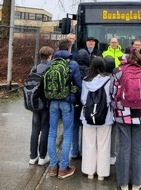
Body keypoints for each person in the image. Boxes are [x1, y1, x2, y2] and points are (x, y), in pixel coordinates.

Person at [111, 49, 141, 190]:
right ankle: (137, 183)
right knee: (138, 148)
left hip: (123, 114)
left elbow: (113, 93)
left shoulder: (118, 71)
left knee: (123, 146)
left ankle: (123, 183)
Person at [47, 39, 82, 179]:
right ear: (69, 49)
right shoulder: (72, 64)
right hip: (67, 102)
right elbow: (79, 84)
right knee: (67, 133)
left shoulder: (51, 63)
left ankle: (52, 167)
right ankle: (63, 168)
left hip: (53, 102)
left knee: (52, 132)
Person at [80, 56, 113, 180]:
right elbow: (110, 98)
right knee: (103, 145)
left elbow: (83, 99)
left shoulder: (85, 80)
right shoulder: (108, 80)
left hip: (88, 117)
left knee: (89, 144)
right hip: (105, 117)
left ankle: (89, 171)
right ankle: (102, 174)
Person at [29, 46, 54, 166]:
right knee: (45, 129)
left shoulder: (34, 68)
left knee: (35, 130)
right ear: (50, 56)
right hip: (46, 103)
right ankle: (42, 157)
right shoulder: (50, 68)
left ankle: (32, 157)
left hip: (34, 103)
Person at [70, 49, 91, 159]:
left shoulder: (73, 69)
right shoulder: (90, 71)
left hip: (75, 101)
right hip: (86, 102)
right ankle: (83, 151)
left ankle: (74, 151)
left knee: (74, 126)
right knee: (85, 127)